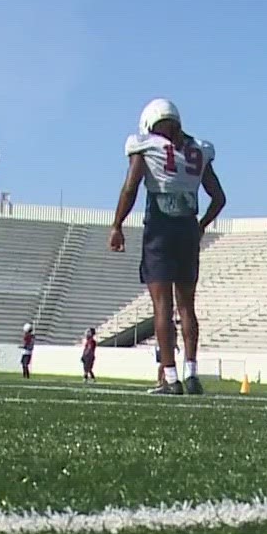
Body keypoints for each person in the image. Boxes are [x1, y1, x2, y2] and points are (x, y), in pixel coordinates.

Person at [109, 98, 225, 396]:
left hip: (160, 229)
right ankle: (192, 373)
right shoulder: (199, 148)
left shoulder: (144, 145)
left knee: (162, 306)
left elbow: (130, 187)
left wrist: (117, 224)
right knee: (187, 306)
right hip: (187, 228)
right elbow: (219, 197)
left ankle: (170, 378)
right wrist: (201, 225)